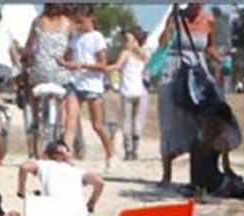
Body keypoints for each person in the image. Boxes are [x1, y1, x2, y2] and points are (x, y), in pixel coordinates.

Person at [157, 3, 221, 185]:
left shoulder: (208, 20)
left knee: (201, 121)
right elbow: (162, 44)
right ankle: (167, 173)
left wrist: (221, 60)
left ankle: (200, 173)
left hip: (197, 71)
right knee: (170, 120)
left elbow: (209, 47)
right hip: (174, 70)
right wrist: (171, 23)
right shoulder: (176, 17)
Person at [58, 5, 115, 171]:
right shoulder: (75, 37)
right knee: (70, 120)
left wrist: (82, 65)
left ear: (91, 18)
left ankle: (110, 153)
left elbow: (103, 65)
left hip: (92, 86)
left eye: (81, 21)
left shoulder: (97, 37)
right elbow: (68, 57)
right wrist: (63, 62)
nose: (78, 25)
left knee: (97, 125)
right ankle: (65, 156)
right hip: (75, 83)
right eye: (76, 22)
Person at [23, 3, 73, 158]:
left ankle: (35, 122)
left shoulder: (37, 21)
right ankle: (61, 126)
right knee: (63, 95)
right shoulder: (67, 22)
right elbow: (70, 48)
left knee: (31, 89)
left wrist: (25, 60)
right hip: (60, 73)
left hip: (39, 71)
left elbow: (29, 46)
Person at [107, 28, 148, 160]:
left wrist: (104, 68)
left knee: (126, 121)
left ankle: (128, 150)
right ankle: (136, 149)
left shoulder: (126, 53)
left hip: (127, 90)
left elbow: (117, 66)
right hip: (138, 90)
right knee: (136, 120)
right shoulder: (142, 54)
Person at [211, 6, 233, 92]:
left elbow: (213, 36)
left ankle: (218, 87)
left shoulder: (215, 22)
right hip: (226, 46)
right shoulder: (225, 21)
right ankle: (225, 88)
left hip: (218, 46)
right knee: (225, 68)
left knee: (217, 68)